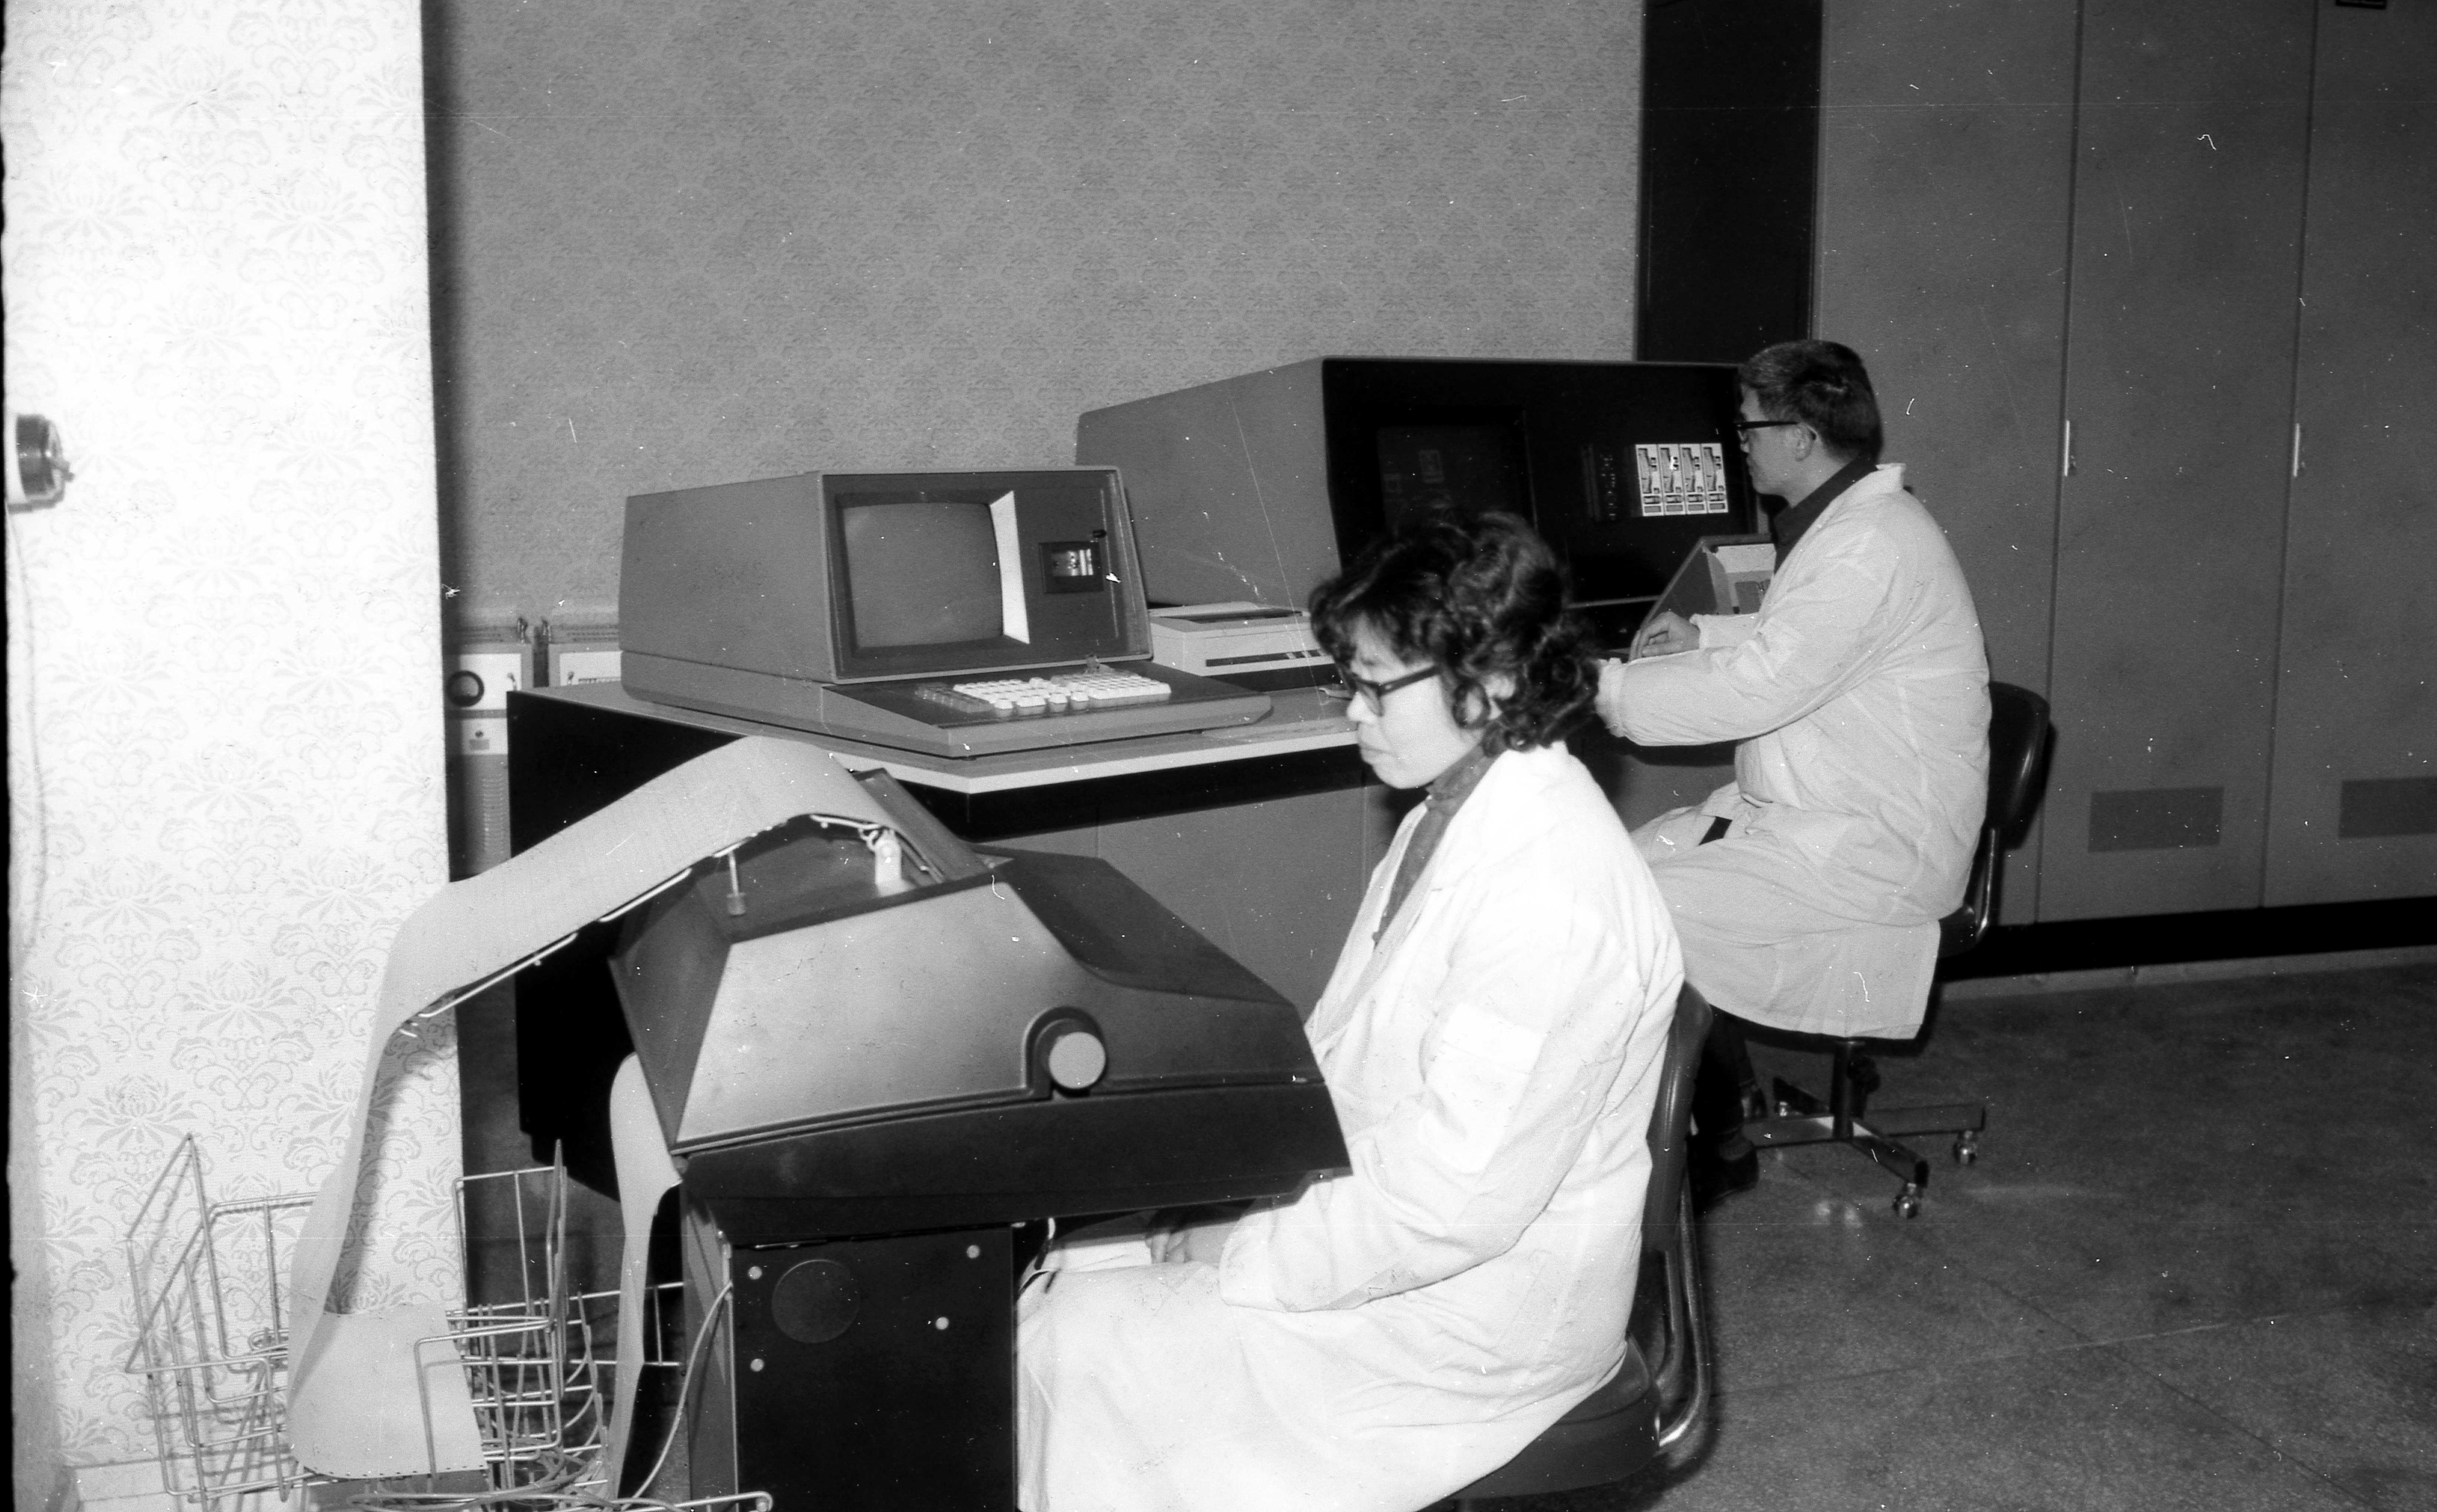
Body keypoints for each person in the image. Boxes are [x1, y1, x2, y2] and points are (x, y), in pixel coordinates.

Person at [1017, 511, 1685, 1512]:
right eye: (1350, 684)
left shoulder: (1554, 895)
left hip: (1479, 1322)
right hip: (1414, 1238)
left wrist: (1245, 1243)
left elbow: (1450, 1207)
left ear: (1497, 680)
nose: (1352, 716)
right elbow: (1354, 1057)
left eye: (1375, 688)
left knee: (1082, 1340)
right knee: (1074, 1260)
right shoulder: (1452, 809)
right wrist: (1227, 1203)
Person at [1595, 339, 1989, 1198]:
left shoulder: (1869, 544)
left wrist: (1605, 690)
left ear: (1803, 438)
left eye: (1749, 429)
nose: (1741, 445)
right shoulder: (1853, 526)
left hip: (1872, 850)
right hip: (1818, 817)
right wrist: (1705, 634)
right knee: (1612, 878)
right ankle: (1721, 1107)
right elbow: (1812, 639)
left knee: (1633, 918)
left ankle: (1710, 1141)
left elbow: (1765, 686)